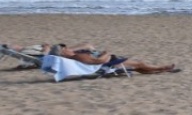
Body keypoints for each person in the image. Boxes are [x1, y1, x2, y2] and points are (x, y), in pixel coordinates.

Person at [51, 44, 179, 74]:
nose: (68, 48)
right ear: (64, 53)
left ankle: (161, 70)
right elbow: (99, 61)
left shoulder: (75, 57)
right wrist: (107, 53)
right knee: (140, 64)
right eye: (65, 48)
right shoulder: (78, 56)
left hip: (109, 63)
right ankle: (163, 68)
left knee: (139, 67)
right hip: (110, 63)